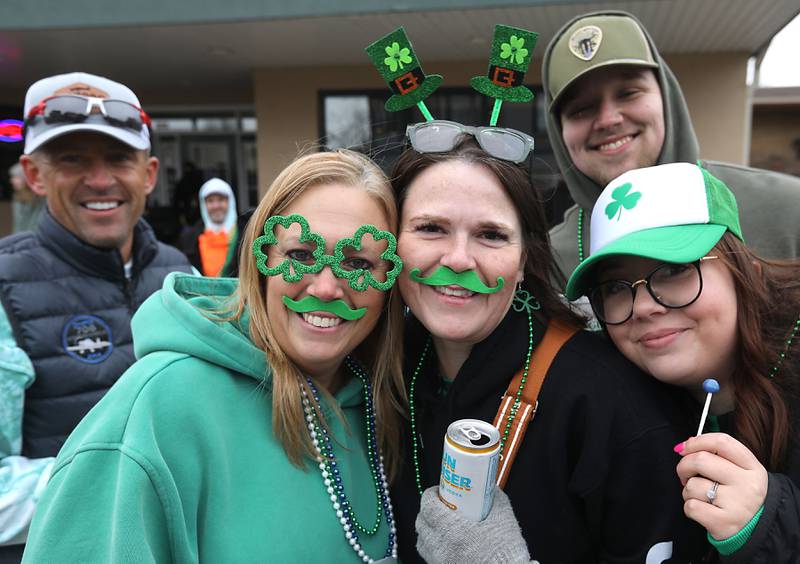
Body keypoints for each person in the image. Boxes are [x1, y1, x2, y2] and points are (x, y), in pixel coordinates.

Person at [22, 149, 406, 563]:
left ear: (389, 282)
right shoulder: (160, 406)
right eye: (299, 255)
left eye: (358, 263)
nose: (326, 288)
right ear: (260, 261)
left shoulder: (383, 403)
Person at [390, 132, 700, 563]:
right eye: (430, 228)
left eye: (491, 235)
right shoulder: (379, 369)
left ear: (522, 262)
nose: (458, 259)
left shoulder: (613, 404)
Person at [564, 162, 800, 562]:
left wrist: (771, 523)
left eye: (674, 269)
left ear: (747, 275)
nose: (642, 307)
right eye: (616, 287)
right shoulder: (616, 402)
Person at [0, 72, 191, 558]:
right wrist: (132, 480)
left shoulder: (180, 275)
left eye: (119, 158)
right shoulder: (4, 287)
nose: (101, 179)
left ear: (148, 173)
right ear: (34, 174)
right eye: (72, 159)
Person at [543, 10, 800, 280]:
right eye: (581, 109)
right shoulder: (547, 263)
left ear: (667, 98)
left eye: (628, 93)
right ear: (560, 132)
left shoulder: (788, 214)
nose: (608, 120)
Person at [177, 177, 238, 276]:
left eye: (221, 200)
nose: (216, 206)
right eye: (210, 201)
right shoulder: (189, 237)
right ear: (203, 204)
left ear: (230, 202)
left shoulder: (244, 234)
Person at [8, 163, 44, 234]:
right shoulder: (16, 197)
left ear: (26, 178)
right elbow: (17, 225)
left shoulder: (41, 199)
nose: (12, 181)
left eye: (16, 177)